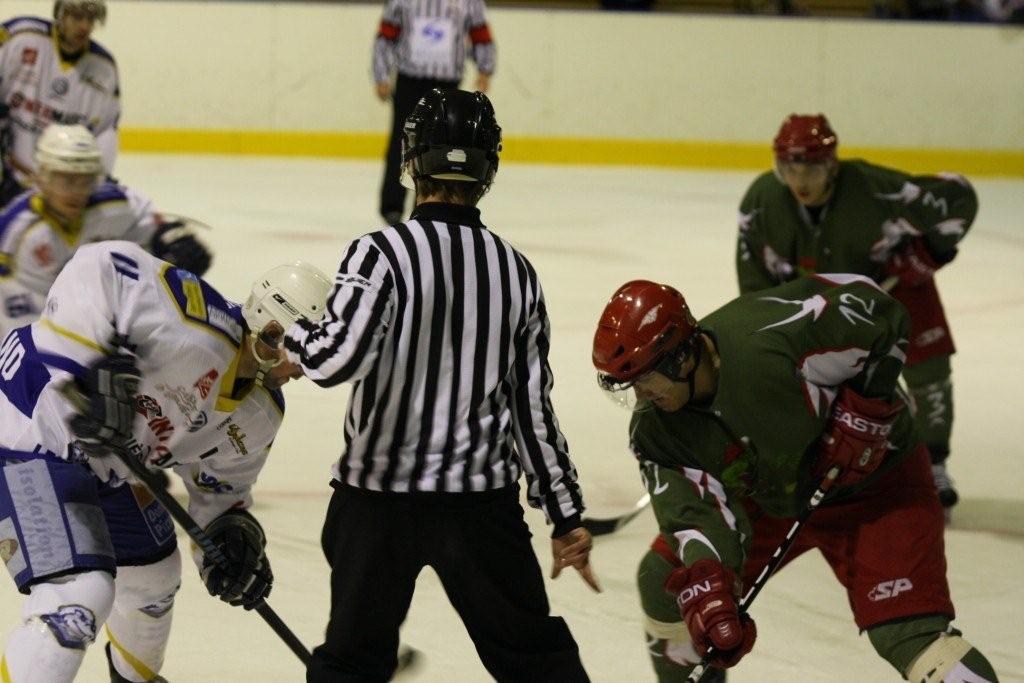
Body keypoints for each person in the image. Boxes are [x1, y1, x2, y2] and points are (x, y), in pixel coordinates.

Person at [284, 88, 597, 682]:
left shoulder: (380, 253)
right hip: (479, 507)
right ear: (488, 169)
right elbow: (531, 409)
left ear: (411, 161)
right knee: (536, 661)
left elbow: (334, 361)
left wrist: (287, 332)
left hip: (378, 502)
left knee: (352, 661)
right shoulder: (516, 272)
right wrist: (565, 515)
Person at [591, 276, 998, 682]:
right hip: (771, 494)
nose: (640, 396)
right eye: (630, 385)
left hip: (876, 486)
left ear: (680, 358)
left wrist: (869, 406)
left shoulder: (770, 341)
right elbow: (693, 517)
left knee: (910, 636)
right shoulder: (655, 432)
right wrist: (713, 588)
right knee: (666, 584)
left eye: (644, 379)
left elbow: (880, 312)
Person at [0, 239, 331, 682]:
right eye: (302, 353)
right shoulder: (192, 321)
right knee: (78, 596)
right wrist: (93, 367)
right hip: (28, 426)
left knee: (154, 580)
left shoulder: (260, 415)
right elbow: (99, 263)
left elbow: (223, 493)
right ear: (272, 331)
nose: (303, 372)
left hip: (105, 465)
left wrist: (231, 539)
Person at [735, 113, 977, 518]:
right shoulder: (761, 204)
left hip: (895, 290)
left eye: (811, 169)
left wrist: (927, 253)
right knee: (815, 380)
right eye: (789, 169)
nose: (800, 180)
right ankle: (827, 465)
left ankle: (934, 464)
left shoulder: (874, 188)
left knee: (929, 371)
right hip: (823, 306)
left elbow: (959, 198)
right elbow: (755, 286)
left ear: (831, 165)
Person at [0, 123, 211, 339]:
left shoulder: (116, 204)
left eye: (87, 180)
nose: (77, 192)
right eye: (67, 180)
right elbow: (18, 320)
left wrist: (169, 242)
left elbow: (152, 228)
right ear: (42, 177)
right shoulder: (15, 234)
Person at [372, 0, 495, 224]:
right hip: (410, 80)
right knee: (402, 141)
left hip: (447, 82)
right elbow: (386, 36)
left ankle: (431, 203)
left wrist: (485, 68)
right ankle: (392, 206)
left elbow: (480, 32)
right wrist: (381, 74)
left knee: (442, 145)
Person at [0, 0, 120, 206]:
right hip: (9, 176)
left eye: (91, 18)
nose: (84, 26)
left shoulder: (104, 70)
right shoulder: (20, 37)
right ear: (60, 15)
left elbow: (105, 132)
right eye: (77, 17)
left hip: (62, 191)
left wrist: (98, 182)